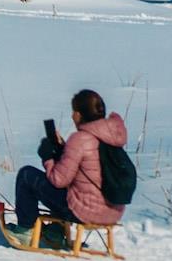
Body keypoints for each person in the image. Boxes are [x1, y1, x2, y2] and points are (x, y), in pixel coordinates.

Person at [7, 88, 128, 242]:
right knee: (73, 188)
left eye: (73, 111)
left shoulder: (80, 139)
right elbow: (88, 169)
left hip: (85, 212)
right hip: (113, 212)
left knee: (26, 175)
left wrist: (48, 157)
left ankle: (25, 229)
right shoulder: (111, 137)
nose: (72, 116)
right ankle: (56, 231)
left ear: (78, 114)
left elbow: (58, 180)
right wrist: (63, 150)